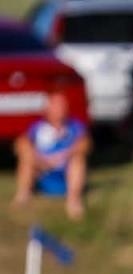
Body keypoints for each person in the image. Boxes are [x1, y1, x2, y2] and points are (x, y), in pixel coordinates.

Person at [11, 92, 89, 220]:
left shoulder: (75, 126)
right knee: (26, 157)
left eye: (62, 105)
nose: (60, 109)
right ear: (47, 109)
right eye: (56, 106)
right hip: (42, 170)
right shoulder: (37, 127)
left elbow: (85, 144)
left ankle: (74, 201)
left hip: (65, 171)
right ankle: (23, 195)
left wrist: (63, 156)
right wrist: (40, 159)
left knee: (78, 160)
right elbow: (21, 144)